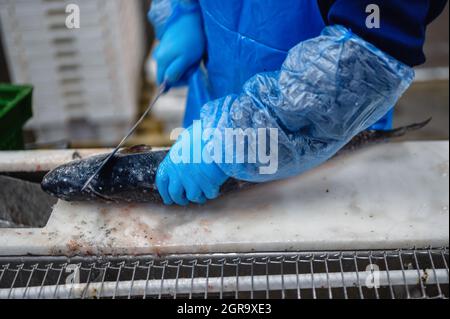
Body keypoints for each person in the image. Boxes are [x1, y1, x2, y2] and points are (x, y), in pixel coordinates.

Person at [148, 0, 448, 206]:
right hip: (205, 132)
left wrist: (231, 140)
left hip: (328, 154)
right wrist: (180, 11)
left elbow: (361, 61)